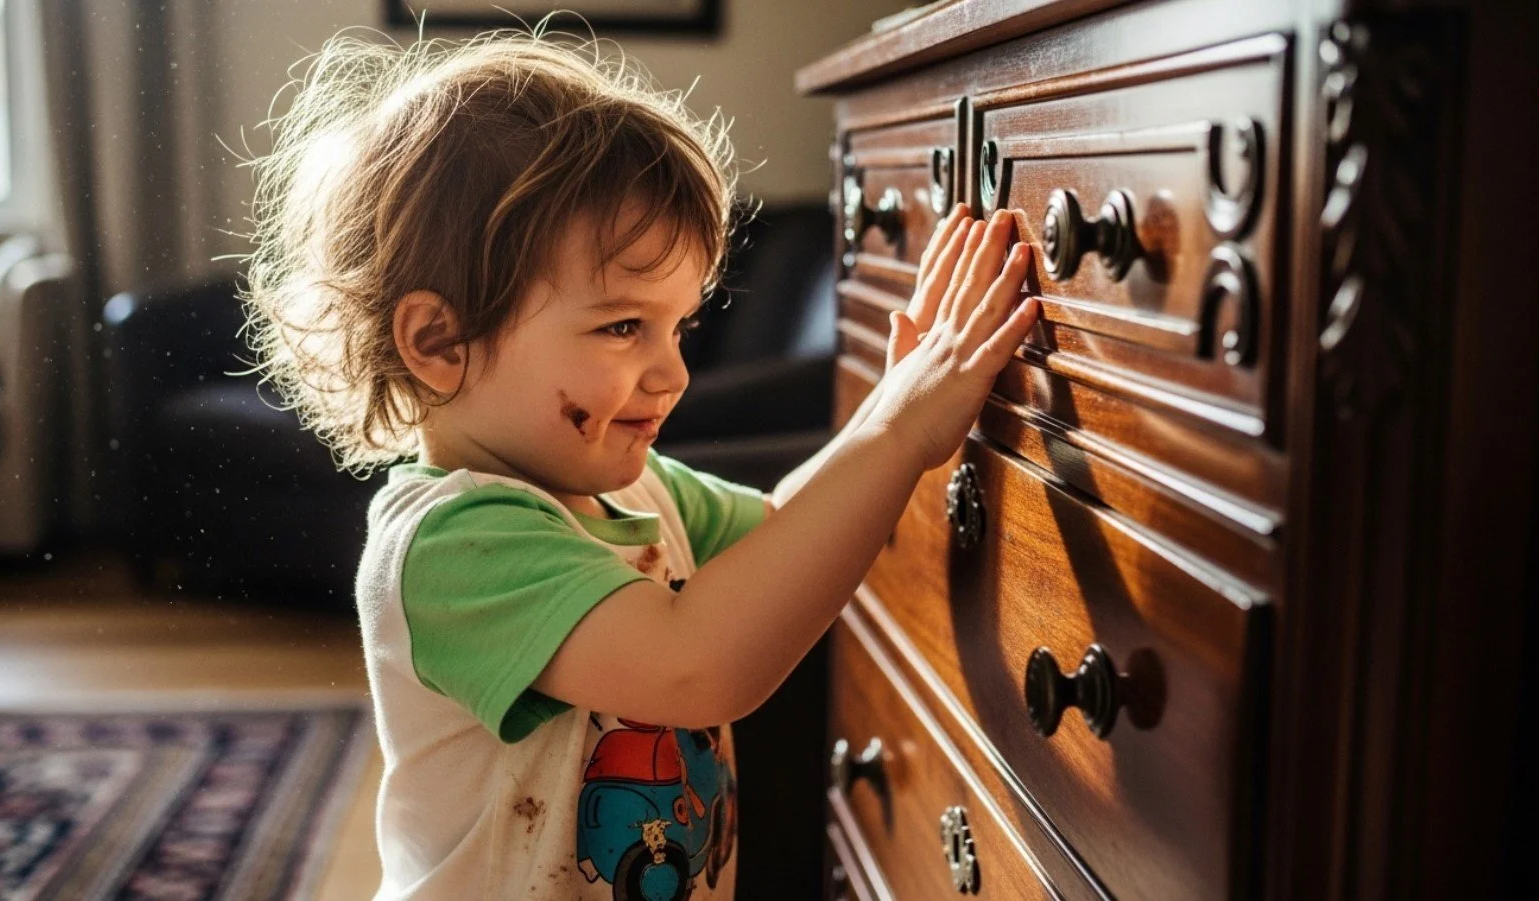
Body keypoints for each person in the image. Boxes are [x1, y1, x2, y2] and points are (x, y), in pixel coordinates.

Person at [239, 24, 1038, 901]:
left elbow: (779, 534)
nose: (674, 371)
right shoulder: (450, 545)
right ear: (439, 341)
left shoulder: (628, 491)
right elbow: (699, 666)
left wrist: (892, 407)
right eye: (623, 326)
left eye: (679, 325)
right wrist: (897, 436)